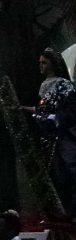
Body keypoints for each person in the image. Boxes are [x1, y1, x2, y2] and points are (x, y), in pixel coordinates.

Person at [19, 48, 76, 218]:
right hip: (47, 138)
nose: (41, 66)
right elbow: (43, 109)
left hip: (63, 137)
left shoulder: (63, 84)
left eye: (44, 62)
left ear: (53, 64)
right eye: (39, 63)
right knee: (53, 176)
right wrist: (25, 109)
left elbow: (71, 110)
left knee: (68, 172)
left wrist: (55, 120)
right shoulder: (44, 86)